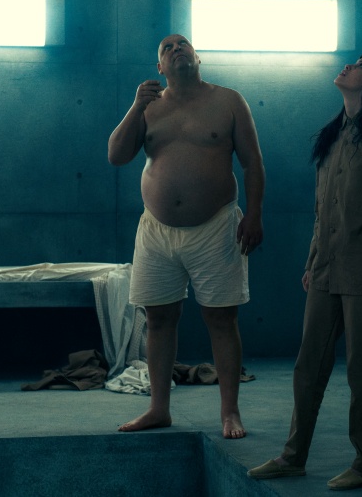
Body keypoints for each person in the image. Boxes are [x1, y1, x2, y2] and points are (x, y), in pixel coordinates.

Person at [247, 53, 362, 490]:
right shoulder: (332, 134)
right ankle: (293, 456)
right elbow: (322, 211)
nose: (348, 67)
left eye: (360, 65)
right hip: (326, 268)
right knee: (309, 365)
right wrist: (312, 261)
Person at [108, 34, 265, 439]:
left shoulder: (228, 100)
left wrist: (254, 215)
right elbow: (117, 155)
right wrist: (136, 106)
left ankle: (230, 412)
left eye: (183, 44)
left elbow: (252, 163)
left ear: (198, 56)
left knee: (221, 319)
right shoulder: (148, 106)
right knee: (159, 319)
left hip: (216, 225)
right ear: (159, 67)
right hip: (156, 230)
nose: (176, 48)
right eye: (166, 48)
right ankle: (158, 409)